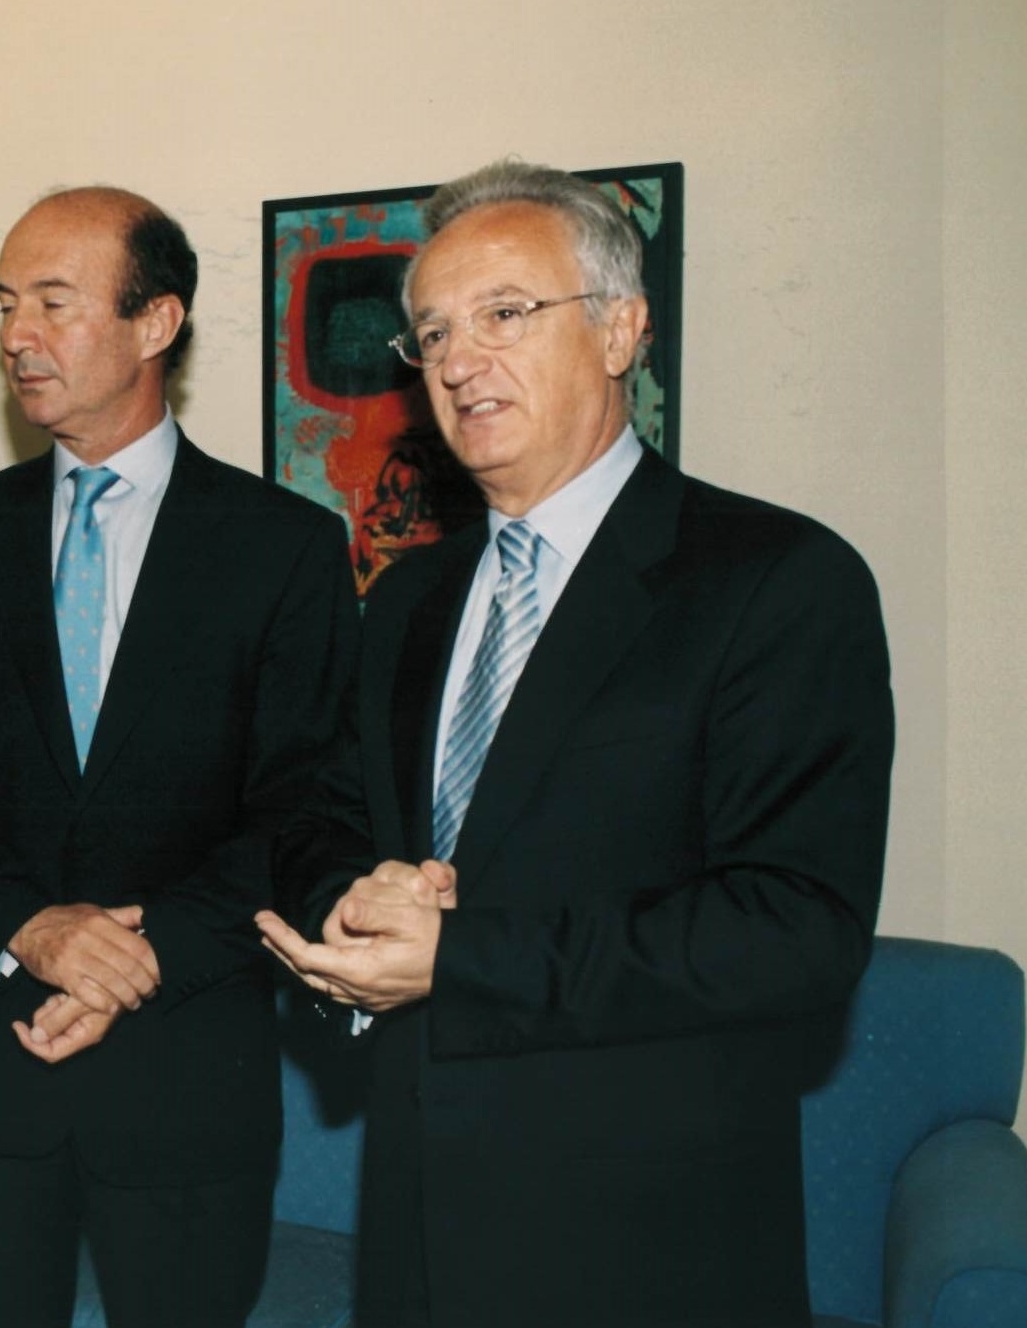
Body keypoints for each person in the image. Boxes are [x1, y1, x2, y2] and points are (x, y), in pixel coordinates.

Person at [258, 160, 894, 1328]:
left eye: (502, 314)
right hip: (413, 1231)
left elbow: (793, 929)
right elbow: (323, 812)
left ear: (619, 330)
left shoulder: (775, 581)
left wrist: (460, 956)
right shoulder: (406, 598)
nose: (456, 361)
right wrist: (349, 903)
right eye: (431, 333)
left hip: (647, 1246)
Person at [0, 186, 357, 1328]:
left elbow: (306, 802)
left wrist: (137, 956)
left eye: (52, 301)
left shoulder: (282, 547)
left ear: (155, 322)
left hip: (188, 1077)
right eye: (4, 303)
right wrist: (30, 927)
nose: (15, 335)